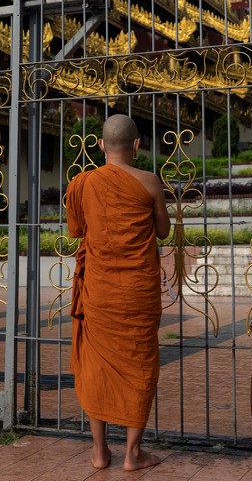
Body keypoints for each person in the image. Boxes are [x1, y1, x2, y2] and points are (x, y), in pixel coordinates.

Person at [65, 114, 171, 471]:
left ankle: (99, 452)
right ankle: (133, 454)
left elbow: (77, 229)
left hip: (99, 291)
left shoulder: (82, 183)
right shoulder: (150, 182)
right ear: (137, 145)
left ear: (99, 145)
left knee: (97, 367)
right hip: (138, 293)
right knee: (140, 365)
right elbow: (163, 231)